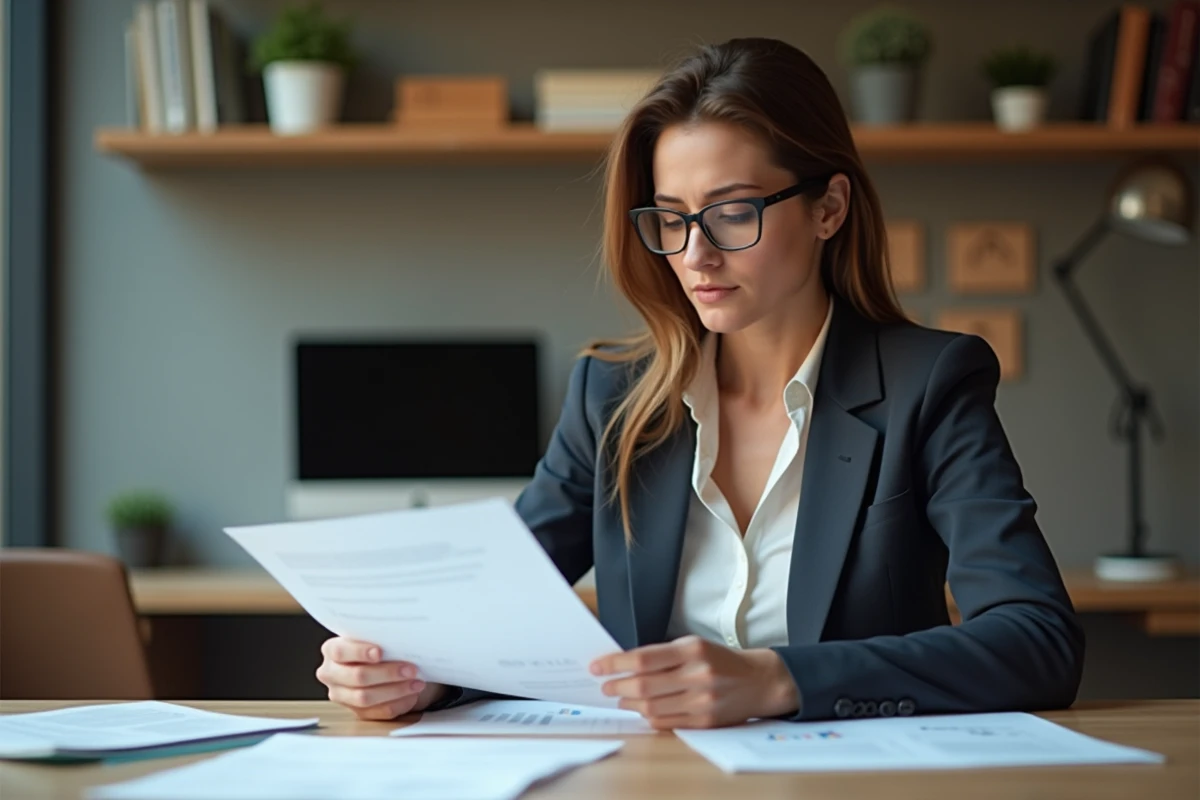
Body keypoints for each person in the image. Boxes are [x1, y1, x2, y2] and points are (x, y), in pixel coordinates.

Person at [316, 37, 1084, 728]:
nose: (695, 256)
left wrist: (781, 680)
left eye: (732, 213)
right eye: (672, 218)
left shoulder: (930, 383)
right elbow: (497, 613)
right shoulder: (610, 398)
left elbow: (1037, 639)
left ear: (829, 207)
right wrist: (415, 674)